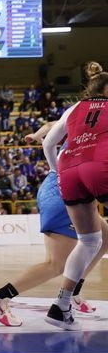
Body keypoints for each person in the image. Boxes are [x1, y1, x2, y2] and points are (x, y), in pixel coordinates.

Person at [0, 121, 108, 326]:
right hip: (65, 193)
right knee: (55, 264)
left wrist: (36, 135)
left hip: (61, 187)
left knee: (104, 236)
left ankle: (73, 290)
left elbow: (51, 125)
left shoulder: (85, 119)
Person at [40, 61, 108, 330]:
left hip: (69, 170)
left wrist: (58, 172)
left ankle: (61, 305)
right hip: (99, 166)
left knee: (89, 241)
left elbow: (48, 144)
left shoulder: (73, 109)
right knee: (93, 241)